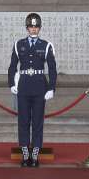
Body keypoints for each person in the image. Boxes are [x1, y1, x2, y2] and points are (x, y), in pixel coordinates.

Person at [8, 13, 57, 167]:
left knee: (37, 122)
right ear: (27, 27)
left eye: (36, 26)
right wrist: (12, 84)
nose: (34, 29)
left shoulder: (46, 45)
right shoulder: (18, 44)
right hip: (23, 86)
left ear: (40, 28)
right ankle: (25, 154)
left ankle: (35, 156)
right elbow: (12, 66)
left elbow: (53, 69)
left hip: (39, 86)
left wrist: (51, 88)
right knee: (23, 121)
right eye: (31, 26)